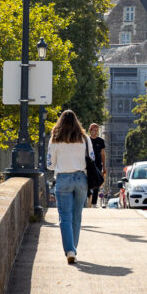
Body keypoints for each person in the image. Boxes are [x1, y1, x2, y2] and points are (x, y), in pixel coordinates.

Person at [48, 109, 95, 264]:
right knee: (77, 216)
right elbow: (92, 158)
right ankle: (73, 248)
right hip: (81, 179)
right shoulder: (84, 138)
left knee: (65, 217)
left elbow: (50, 164)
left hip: (63, 179)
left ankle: (70, 250)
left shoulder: (55, 139)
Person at [87, 124, 106, 207]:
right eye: (94, 130)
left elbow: (103, 154)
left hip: (98, 164)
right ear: (90, 130)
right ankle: (88, 197)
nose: (95, 132)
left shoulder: (100, 141)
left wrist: (104, 166)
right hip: (88, 164)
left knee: (97, 183)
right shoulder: (87, 140)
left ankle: (94, 203)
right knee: (87, 181)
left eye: (97, 131)